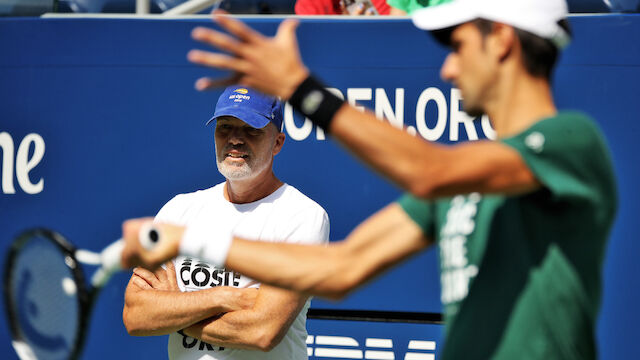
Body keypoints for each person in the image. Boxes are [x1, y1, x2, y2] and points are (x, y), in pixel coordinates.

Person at [121, 0, 617, 358]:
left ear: (503, 41)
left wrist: (300, 89)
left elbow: (428, 170)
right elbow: (340, 269)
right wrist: (187, 239)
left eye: (458, 45)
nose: (446, 68)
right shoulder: (457, 184)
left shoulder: (570, 141)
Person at [122, 85, 330, 360]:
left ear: (277, 142)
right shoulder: (179, 210)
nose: (235, 139)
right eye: (225, 127)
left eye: (251, 129)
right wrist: (222, 297)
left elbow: (262, 331)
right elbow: (136, 316)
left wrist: (175, 311)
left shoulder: (303, 216)